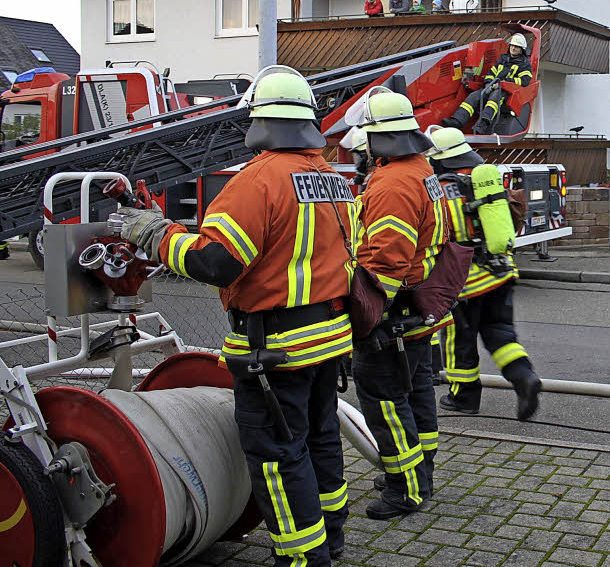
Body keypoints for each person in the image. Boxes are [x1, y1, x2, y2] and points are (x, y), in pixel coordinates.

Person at [117, 67, 354, 564]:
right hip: (329, 338)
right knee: (320, 439)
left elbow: (215, 262)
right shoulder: (333, 181)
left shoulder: (257, 182)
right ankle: (330, 533)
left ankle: (303, 555)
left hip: (276, 349)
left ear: (258, 121)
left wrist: (154, 234)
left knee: (277, 455)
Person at [350, 89, 456, 519]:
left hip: (392, 315)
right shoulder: (421, 171)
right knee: (415, 398)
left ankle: (405, 489)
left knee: (387, 402)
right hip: (417, 310)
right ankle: (421, 473)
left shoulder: (393, 183)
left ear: (379, 139)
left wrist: (368, 315)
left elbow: (387, 259)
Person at [425, 128, 542, 420]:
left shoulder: (439, 191)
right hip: (501, 272)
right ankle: (523, 377)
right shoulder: (484, 181)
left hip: (465, 283)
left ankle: (463, 398)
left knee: (457, 340)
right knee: (501, 333)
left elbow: (438, 236)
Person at [441, 33, 533, 135]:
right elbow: (491, 73)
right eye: (512, 45)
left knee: (494, 99)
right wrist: (488, 83)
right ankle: (457, 121)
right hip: (493, 86)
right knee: (474, 96)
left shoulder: (524, 64)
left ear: (522, 49)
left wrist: (506, 82)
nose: (513, 48)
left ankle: (482, 126)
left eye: (516, 46)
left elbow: (525, 80)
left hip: (507, 92)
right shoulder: (503, 59)